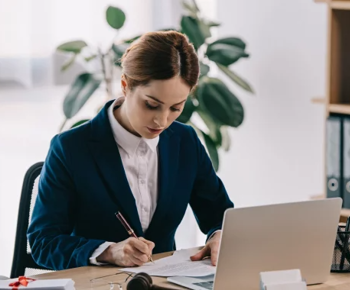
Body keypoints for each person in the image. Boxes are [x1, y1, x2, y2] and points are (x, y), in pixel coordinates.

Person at [27, 31, 234, 271]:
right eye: (151, 105)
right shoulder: (71, 148)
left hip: (163, 284)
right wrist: (107, 251)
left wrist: (219, 235)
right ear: (125, 85)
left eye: (176, 108)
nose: (162, 121)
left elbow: (220, 214)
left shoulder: (185, 141)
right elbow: (44, 242)